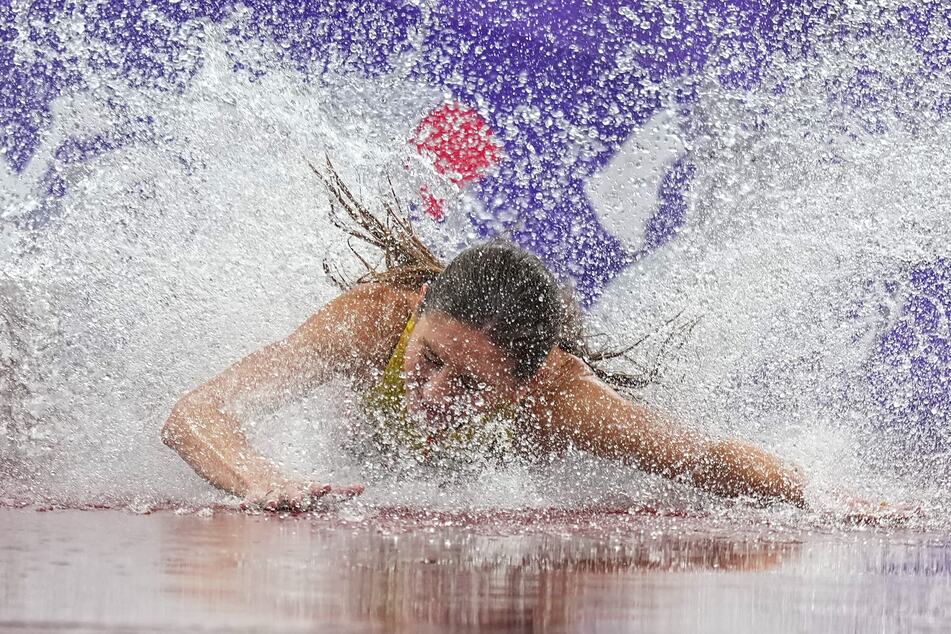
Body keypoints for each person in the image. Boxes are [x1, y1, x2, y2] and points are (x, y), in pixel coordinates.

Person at [160, 165, 884, 519]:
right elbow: (195, 413)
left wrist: (826, 496)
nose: (435, 392)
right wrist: (260, 478)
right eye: (431, 358)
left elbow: (705, 458)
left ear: (527, 380)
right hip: (355, 456)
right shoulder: (371, 322)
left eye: (471, 385)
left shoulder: (563, 400)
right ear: (419, 317)